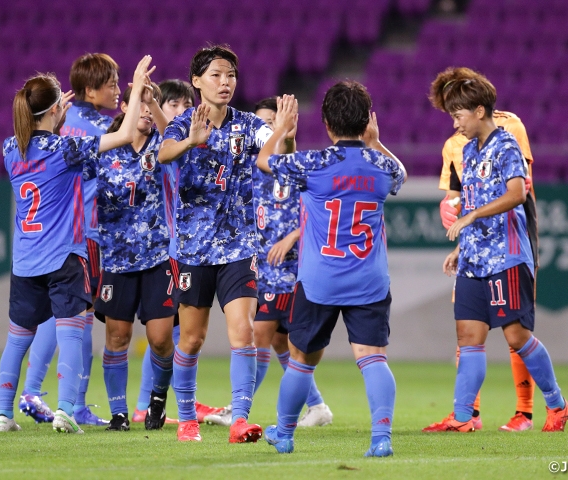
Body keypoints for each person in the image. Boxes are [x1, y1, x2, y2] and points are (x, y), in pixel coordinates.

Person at [0, 55, 155, 434]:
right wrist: (134, 91)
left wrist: (53, 118)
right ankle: (66, 410)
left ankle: (3, 414)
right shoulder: (64, 150)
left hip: (26, 261)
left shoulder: (8, 149)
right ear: (55, 110)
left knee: (17, 339)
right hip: (65, 255)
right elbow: (125, 136)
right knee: (71, 333)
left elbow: (34, 138)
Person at [256, 84, 407, 457]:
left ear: (326, 123)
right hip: (369, 279)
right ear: (367, 120)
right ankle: (381, 437)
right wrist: (377, 142)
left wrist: (282, 128)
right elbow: (400, 173)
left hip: (319, 279)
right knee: (372, 358)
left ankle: (286, 434)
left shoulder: (315, 163)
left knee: (301, 361)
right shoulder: (380, 166)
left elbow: (264, 162)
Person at [422, 68, 568, 433]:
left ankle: (557, 404)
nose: (455, 124)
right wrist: (462, 245)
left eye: (458, 115)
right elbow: (472, 200)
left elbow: (517, 194)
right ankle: (462, 417)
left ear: (478, 110)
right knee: (468, 336)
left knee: (516, 336)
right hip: (475, 258)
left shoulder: (507, 144)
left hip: (506, 255)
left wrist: (471, 215)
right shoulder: (469, 152)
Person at [157, 45, 293, 443]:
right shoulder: (183, 124)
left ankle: (240, 419)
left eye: (231, 75)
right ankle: (186, 419)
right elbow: (165, 154)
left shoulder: (248, 125)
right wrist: (191, 141)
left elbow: (275, 150)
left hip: (238, 247)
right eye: (216, 75)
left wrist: (282, 131)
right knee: (192, 338)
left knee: (244, 332)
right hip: (193, 250)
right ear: (197, 81)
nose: (225, 82)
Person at [204, 97, 332, 428]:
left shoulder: (288, 164)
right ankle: (317, 406)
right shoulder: (250, 170)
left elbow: (321, 213)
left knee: (259, 334)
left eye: (271, 122)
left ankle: (238, 408)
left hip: (288, 270)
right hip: (260, 267)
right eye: (261, 125)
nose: (266, 130)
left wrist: (292, 237)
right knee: (277, 340)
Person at [17, 53, 121, 427]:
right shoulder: (100, 128)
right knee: (78, 319)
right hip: (84, 229)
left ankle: (35, 389)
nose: (118, 88)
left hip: (49, 231)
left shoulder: (64, 121)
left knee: (59, 316)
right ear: (90, 90)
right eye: (111, 82)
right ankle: (71, 404)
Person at [131, 79, 223, 425]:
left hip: (187, 247)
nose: (184, 112)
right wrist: (156, 106)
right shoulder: (164, 144)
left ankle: (174, 400)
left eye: (187, 105)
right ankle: (148, 403)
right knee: (169, 331)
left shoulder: (192, 143)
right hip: (167, 250)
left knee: (175, 332)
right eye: (175, 105)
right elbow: (168, 133)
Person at [88, 80, 178, 432]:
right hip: (116, 260)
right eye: (139, 103)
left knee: (160, 339)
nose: (145, 108)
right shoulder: (105, 150)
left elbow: (174, 133)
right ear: (123, 109)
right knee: (117, 338)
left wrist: (156, 103)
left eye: (150, 103)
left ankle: (157, 398)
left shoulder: (163, 146)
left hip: (157, 258)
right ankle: (119, 413)